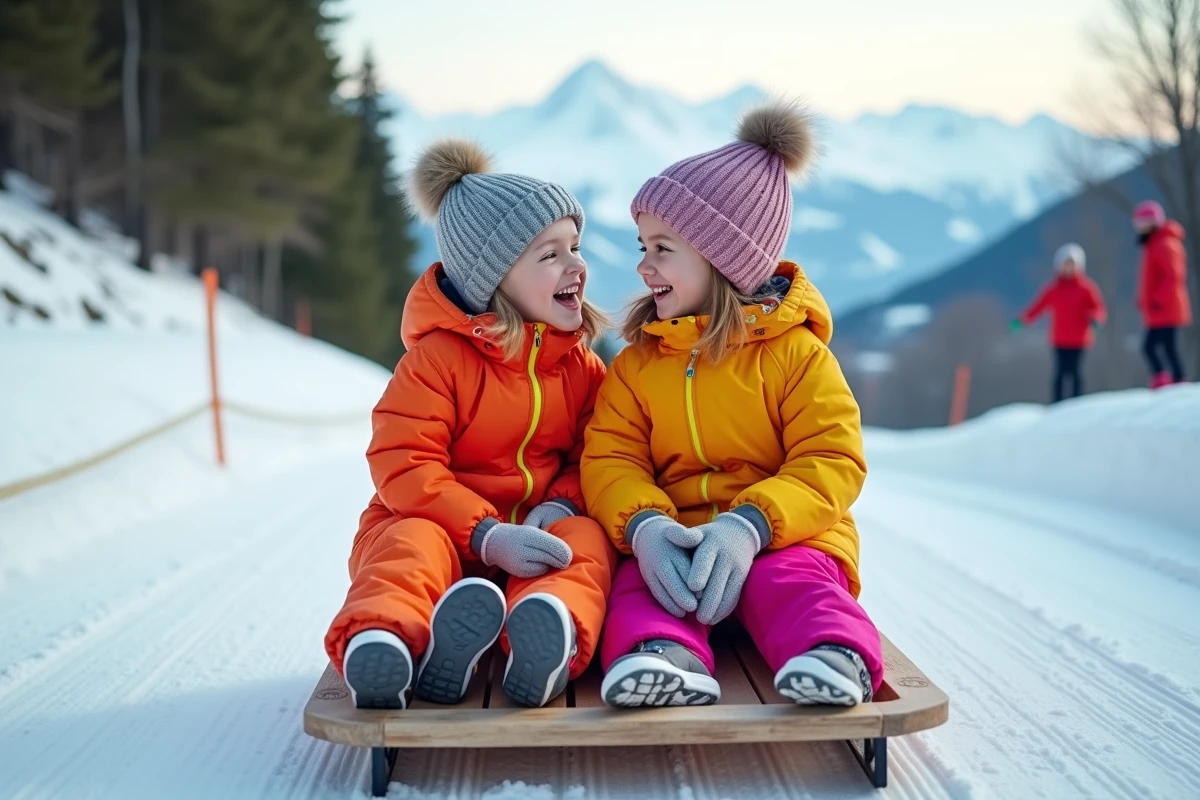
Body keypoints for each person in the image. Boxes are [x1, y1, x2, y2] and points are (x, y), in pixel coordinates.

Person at [581, 102, 881, 710]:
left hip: (780, 538)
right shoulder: (640, 363)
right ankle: (661, 656)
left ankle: (833, 653)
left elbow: (831, 459)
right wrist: (645, 527)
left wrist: (751, 525)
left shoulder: (797, 356)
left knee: (791, 583)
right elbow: (611, 457)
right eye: (643, 246)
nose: (643, 266)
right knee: (640, 588)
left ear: (722, 258)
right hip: (677, 538)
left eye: (662, 248)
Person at [324, 139, 616, 710]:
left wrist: (559, 506)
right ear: (495, 278)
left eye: (575, 247)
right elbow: (405, 462)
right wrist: (485, 534)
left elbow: (596, 455)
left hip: (533, 537)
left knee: (584, 540)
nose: (577, 265)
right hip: (443, 532)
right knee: (409, 543)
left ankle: (549, 629)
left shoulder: (581, 367)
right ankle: (384, 640)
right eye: (550, 255)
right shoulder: (436, 361)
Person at [1011, 243, 1106, 402]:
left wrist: (1096, 320)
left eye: (1072, 265)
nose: (1068, 269)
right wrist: (1021, 321)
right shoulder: (1053, 289)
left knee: (1075, 372)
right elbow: (1037, 307)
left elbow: (1098, 307)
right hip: (1059, 339)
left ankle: (1078, 403)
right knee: (1060, 373)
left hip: (1079, 339)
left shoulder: (1086, 288)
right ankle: (1057, 404)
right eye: (1066, 265)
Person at [1133, 200, 1192, 386]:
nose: (1139, 227)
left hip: (1167, 308)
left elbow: (1174, 276)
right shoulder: (1153, 244)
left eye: (1142, 223)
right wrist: (1143, 300)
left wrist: (1159, 300)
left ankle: (1175, 379)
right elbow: (1152, 278)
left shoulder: (1165, 243)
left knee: (1156, 347)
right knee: (1162, 347)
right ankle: (1171, 378)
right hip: (1158, 309)